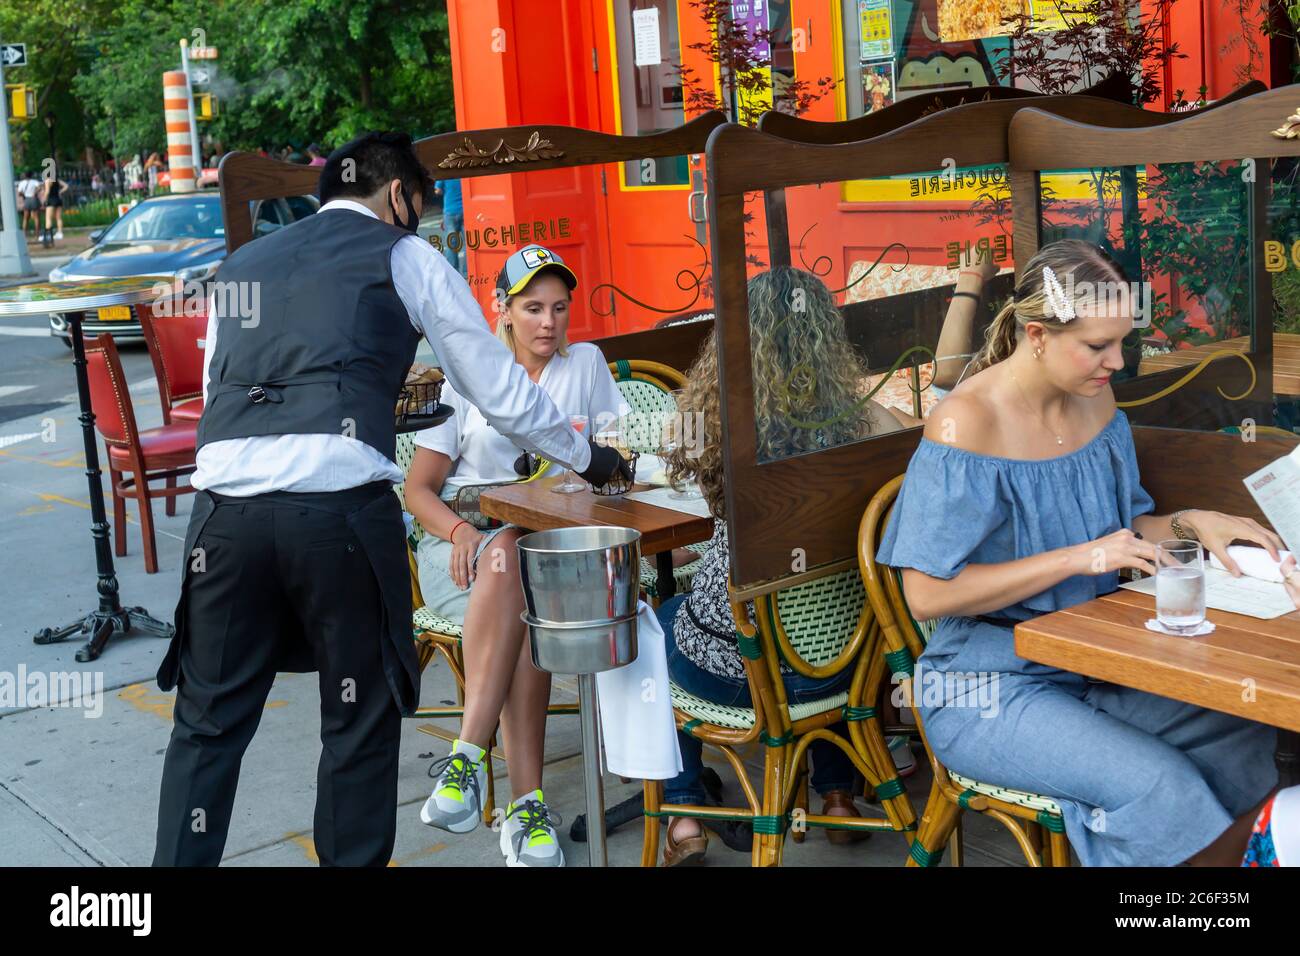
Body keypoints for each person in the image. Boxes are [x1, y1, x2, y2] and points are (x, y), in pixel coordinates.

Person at [151, 132, 630, 868]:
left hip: (224, 514)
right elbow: (499, 393)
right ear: (400, 196)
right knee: (356, 723)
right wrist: (591, 458)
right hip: (336, 511)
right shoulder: (406, 257)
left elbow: (225, 387)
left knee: (206, 728)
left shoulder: (240, 265)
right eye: (422, 207)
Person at [876, 238, 1279, 866]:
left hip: (1097, 661)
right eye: (1097, 346)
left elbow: (1123, 530)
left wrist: (1196, 522)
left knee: (1252, 740)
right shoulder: (966, 421)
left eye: (1122, 342)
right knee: (1159, 786)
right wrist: (1074, 558)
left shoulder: (1095, 399)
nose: (1116, 361)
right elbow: (927, 593)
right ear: (1035, 334)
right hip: (987, 684)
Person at [655, 267, 916, 866]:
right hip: (847, 665)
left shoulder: (719, 429)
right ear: (829, 337)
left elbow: (672, 449)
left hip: (745, 675)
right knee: (804, 609)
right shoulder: (876, 428)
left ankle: (685, 814)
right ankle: (837, 796)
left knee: (655, 622)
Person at [405, 244, 625, 866]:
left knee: (519, 564)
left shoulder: (585, 365)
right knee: (508, 557)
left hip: (550, 552)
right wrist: (459, 533)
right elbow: (417, 490)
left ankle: (466, 760)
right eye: (532, 307)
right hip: (463, 549)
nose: (548, 323)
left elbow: (620, 461)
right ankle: (525, 810)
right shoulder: (465, 377)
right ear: (500, 309)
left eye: (559, 307)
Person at [434, 178, 464, 275]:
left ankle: (453, 273)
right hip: (465, 210)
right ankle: (467, 272)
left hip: (450, 211)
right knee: (470, 242)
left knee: (452, 245)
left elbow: (437, 190)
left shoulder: (445, 175)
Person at [40, 171, 69, 242]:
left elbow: (47, 192)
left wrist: (44, 200)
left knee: (48, 218)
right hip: (58, 199)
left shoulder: (47, 180)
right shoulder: (57, 180)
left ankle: (48, 234)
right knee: (58, 217)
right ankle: (60, 233)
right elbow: (66, 186)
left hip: (51, 200)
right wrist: (60, 191)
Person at [15, 170, 41, 239]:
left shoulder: (21, 183)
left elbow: (19, 193)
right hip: (34, 199)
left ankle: (24, 235)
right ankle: (37, 235)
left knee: (25, 218)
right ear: (31, 175)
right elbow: (39, 188)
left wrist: (24, 194)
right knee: (36, 218)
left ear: (25, 176)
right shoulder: (35, 181)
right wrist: (34, 193)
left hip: (26, 200)